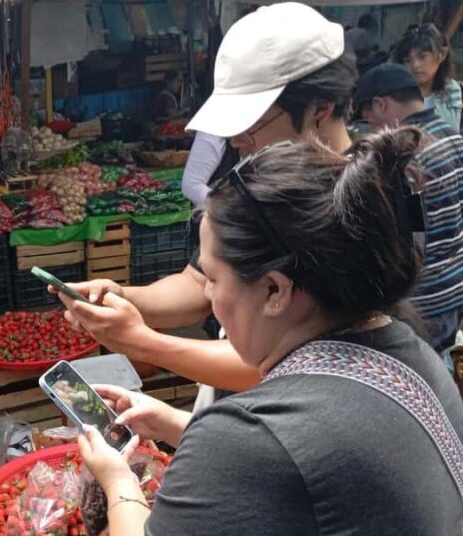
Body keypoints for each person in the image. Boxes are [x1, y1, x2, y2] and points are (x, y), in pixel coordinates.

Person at [77, 131, 463, 536]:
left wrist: (118, 482)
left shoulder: (256, 441)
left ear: (277, 290)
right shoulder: (411, 356)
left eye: (212, 278)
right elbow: (324, 488)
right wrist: (180, 425)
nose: (207, 298)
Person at [56, 2, 356, 393]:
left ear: (321, 108)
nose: (235, 142)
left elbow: (294, 366)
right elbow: (199, 283)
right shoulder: (255, 175)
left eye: (250, 126)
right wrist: (123, 296)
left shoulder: (361, 208)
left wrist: (143, 342)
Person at [355, 63, 463, 353]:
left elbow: (401, 237)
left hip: (423, 299)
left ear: (381, 104)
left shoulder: (407, 152)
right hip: (454, 286)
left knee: (425, 370)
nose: (369, 123)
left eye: (368, 114)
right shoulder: (453, 135)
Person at [392, 23, 462, 131]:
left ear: (441, 55)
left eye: (422, 56)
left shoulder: (451, 89)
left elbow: (452, 129)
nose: (415, 65)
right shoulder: (399, 93)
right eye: (408, 61)